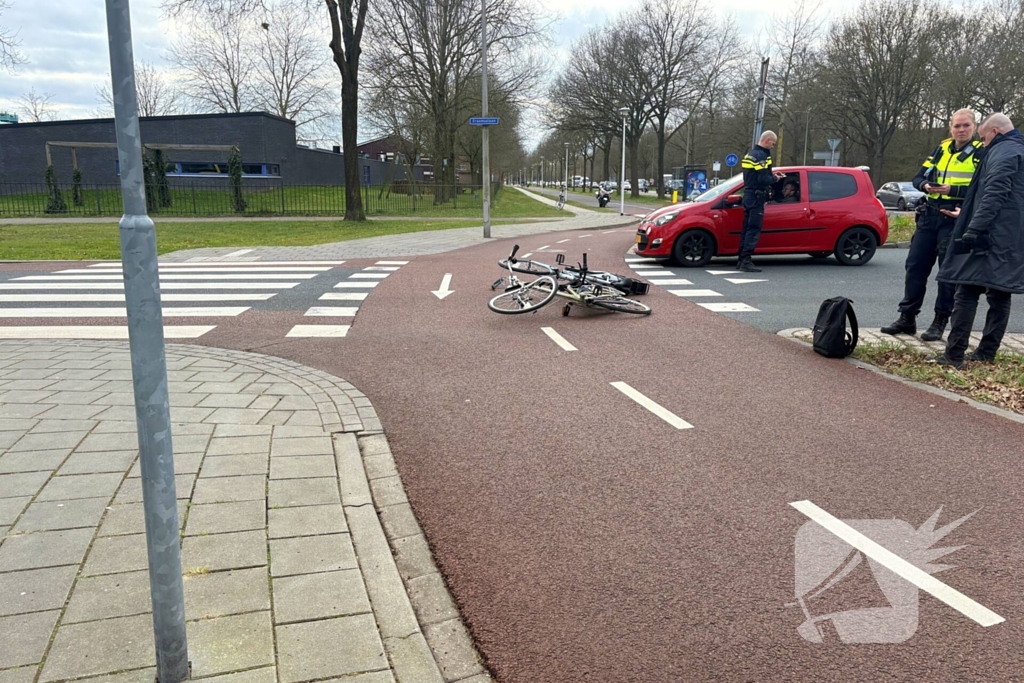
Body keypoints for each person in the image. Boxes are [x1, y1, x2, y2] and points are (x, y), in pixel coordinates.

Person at [928, 113, 1024, 368]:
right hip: (1011, 236)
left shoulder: (1003, 153)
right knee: (1000, 294)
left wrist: (973, 227)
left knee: (966, 290)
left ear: (994, 131)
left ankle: (953, 355)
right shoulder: (1019, 150)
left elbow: (995, 192)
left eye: (983, 138)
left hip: (989, 235)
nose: (982, 144)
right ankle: (986, 352)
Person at [881, 109, 983, 340]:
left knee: (946, 273)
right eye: (957, 126)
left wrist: (952, 190)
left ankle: (939, 321)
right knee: (915, 267)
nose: (961, 130)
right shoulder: (941, 149)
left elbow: (982, 188)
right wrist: (926, 185)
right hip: (930, 214)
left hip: (954, 217)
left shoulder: (980, 153)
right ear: (950, 128)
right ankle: (907, 318)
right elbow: (917, 178)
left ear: (974, 127)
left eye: (966, 125)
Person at [739, 131, 786, 272]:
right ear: (766, 140)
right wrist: (776, 179)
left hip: (749, 195)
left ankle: (741, 260)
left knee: (746, 229)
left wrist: (770, 175)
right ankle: (746, 261)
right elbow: (762, 179)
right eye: (773, 143)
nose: (773, 146)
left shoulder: (750, 154)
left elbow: (753, 176)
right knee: (753, 229)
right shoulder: (761, 156)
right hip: (756, 196)